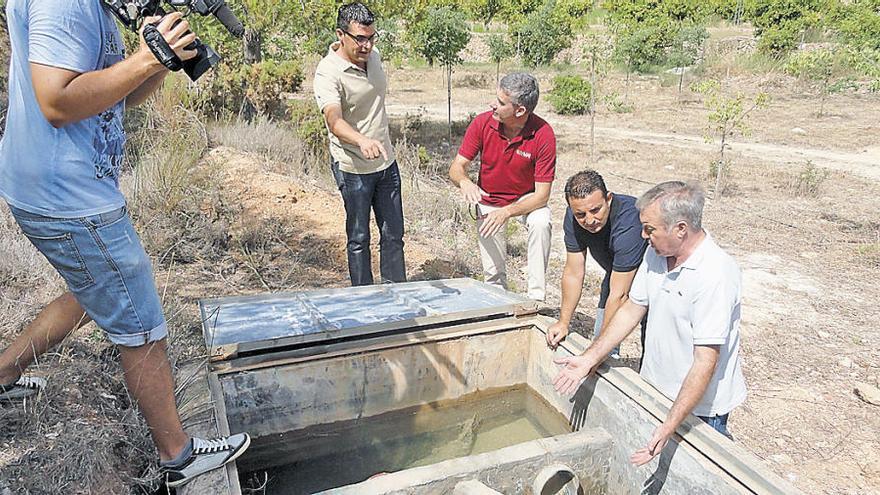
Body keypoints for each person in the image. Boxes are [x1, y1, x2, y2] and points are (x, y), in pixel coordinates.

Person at [0, 0, 249, 487]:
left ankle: (3, 372)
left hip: (53, 187)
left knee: (91, 292)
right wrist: (146, 59)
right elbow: (56, 101)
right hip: (71, 196)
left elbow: (113, 95)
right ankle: (177, 456)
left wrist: (157, 63)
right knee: (140, 322)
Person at [552, 181, 747, 466]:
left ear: (680, 229)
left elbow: (706, 360)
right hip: (657, 389)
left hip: (699, 408)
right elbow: (632, 308)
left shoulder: (714, 274)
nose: (643, 235)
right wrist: (588, 358)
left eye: (650, 229)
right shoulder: (658, 254)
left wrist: (670, 425)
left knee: (696, 472)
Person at [314, 2, 406, 286]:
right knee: (359, 237)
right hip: (353, 166)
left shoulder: (374, 56)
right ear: (341, 35)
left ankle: (396, 297)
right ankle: (363, 301)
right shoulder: (328, 73)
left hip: (386, 163)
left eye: (371, 37)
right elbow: (334, 121)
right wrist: (362, 139)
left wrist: (377, 141)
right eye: (359, 39)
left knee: (393, 235)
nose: (366, 45)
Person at [448, 72, 556, 301]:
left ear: (520, 111)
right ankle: (497, 304)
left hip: (525, 200)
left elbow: (542, 196)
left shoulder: (543, 134)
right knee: (493, 275)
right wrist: (465, 182)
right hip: (489, 199)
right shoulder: (482, 123)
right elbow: (456, 168)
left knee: (541, 221)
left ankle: (535, 300)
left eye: (500, 102)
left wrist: (507, 212)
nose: (492, 105)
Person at [546, 170, 648, 362]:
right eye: (580, 214)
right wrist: (563, 322)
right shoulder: (573, 217)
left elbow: (620, 295)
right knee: (602, 346)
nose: (590, 220)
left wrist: (595, 353)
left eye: (596, 210)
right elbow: (573, 272)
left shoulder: (629, 221)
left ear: (608, 199)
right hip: (615, 274)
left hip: (651, 279)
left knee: (652, 345)